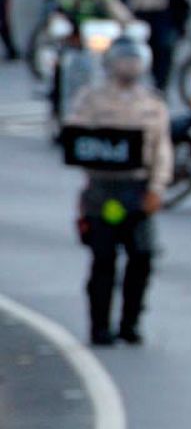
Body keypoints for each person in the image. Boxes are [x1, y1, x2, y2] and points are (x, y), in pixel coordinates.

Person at [65, 36, 171, 346]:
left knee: (142, 255)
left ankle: (131, 321)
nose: (130, 66)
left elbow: (161, 150)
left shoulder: (152, 103)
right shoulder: (92, 99)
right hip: (103, 189)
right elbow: (75, 137)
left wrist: (157, 187)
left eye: (134, 60)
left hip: (137, 189)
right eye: (124, 59)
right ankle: (100, 325)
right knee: (103, 257)